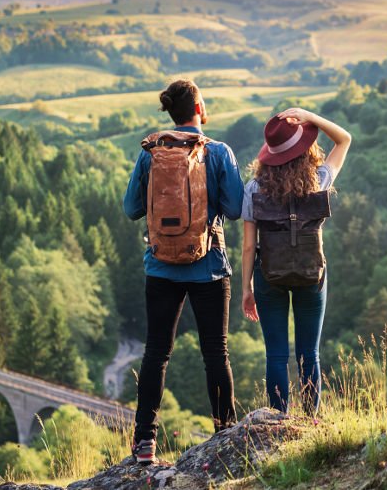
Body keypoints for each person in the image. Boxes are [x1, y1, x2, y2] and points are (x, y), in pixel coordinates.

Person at [124, 79, 244, 463]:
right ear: (199, 108)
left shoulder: (150, 154)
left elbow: (131, 209)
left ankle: (144, 443)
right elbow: (238, 208)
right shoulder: (218, 152)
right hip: (208, 265)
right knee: (215, 352)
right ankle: (225, 434)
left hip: (160, 266)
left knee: (156, 353)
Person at [240, 107, 351, 415]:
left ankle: (278, 420)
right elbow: (344, 140)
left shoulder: (254, 188)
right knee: (309, 353)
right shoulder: (319, 180)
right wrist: (311, 117)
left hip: (269, 276)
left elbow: (249, 247)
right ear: (305, 151)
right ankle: (311, 419)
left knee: (275, 355)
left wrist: (246, 289)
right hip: (311, 275)